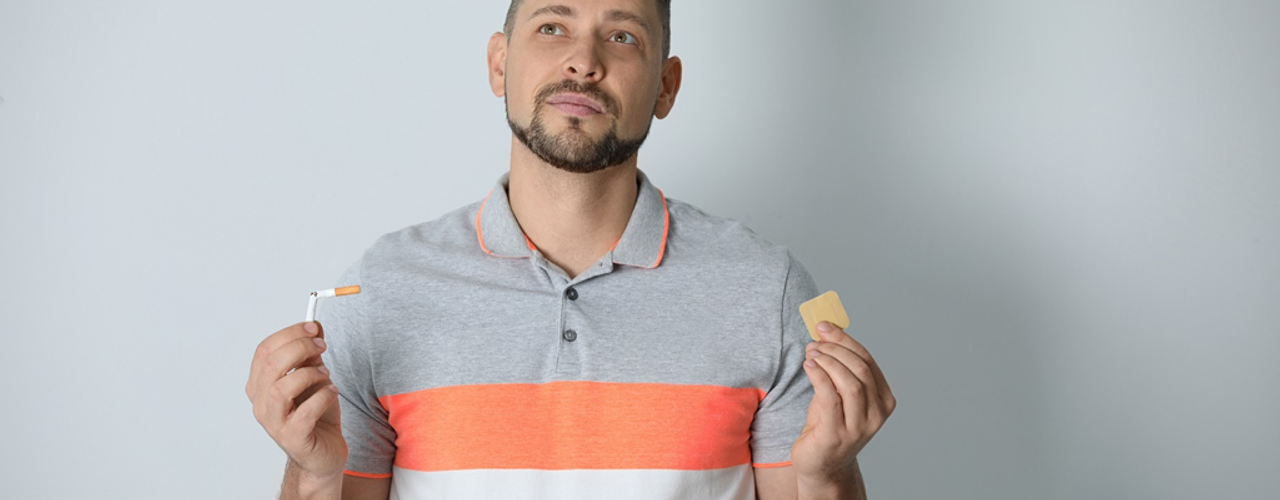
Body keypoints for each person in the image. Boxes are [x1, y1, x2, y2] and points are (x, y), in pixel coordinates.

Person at [246, 1, 895, 499]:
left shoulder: (767, 290)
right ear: (499, 62)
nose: (584, 61)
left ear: (667, 86)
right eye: (553, 27)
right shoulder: (381, 293)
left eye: (622, 35)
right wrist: (311, 477)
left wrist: (828, 479)